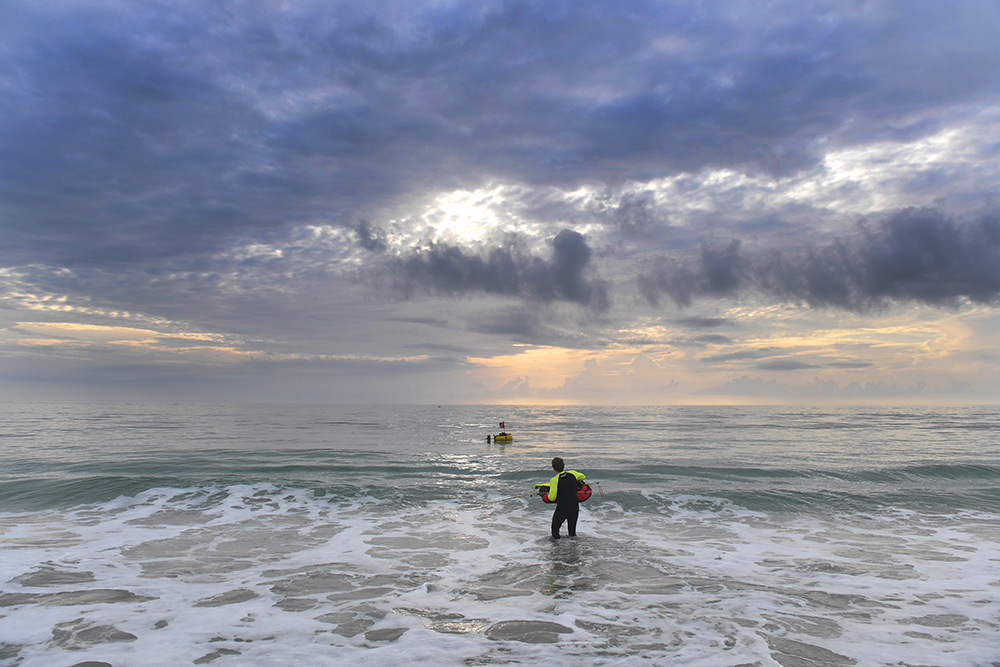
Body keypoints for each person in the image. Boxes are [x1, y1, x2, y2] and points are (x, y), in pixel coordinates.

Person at [547, 457, 586, 540]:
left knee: (555, 530)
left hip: (562, 509)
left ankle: (558, 549)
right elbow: (583, 476)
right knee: (572, 533)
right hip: (574, 507)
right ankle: (573, 549)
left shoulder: (554, 480)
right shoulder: (572, 474)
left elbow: (552, 497)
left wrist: (546, 494)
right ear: (563, 466)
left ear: (553, 468)